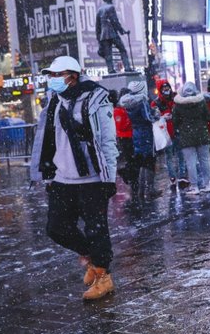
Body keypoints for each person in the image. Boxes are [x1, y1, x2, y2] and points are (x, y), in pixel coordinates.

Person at [29, 56, 118, 301]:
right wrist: (47, 174)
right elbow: (47, 139)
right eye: (52, 75)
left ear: (74, 75)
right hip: (61, 177)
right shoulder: (54, 101)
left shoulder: (95, 97)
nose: (54, 80)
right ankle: (93, 257)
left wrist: (109, 178)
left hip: (92, 177)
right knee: (56, 228)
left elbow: (107, 139)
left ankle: (103, 276)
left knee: (96, 229)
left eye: (59, 75)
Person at [119, 81, 162, 200]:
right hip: (146, 133)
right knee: (149, 160)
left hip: (136, 133)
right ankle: (150, 189)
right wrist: (156, 114)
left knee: (141, 160)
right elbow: (148, 117)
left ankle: (140, 190)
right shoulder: (142, 101)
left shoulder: (128, 102)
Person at [172, 82, 210, 194]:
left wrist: (182, 127)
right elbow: (209, 116)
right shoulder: (201, 102)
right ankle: (207, 184)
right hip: (202, 135)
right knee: (204, 160)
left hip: (186, 137)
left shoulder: (178, 105)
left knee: (191, 162)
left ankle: (194, 186)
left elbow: (175, 121)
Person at [153, 80, 187, 189]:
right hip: (166, 133)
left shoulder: (176, 99)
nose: (166, 90)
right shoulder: (156, 103)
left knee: (180, 154)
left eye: (167, 88)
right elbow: (155, 117)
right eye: (164, 89)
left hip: (177, 130)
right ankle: (173, 176)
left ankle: (182, 176)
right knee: (170, 156)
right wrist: (163, 117)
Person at [95, 0, 133, 74]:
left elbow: (97, 26)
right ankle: (127, 67)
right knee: (122, 50)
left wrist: (99, 38)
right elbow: (114, 21)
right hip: (112, 33)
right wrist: (122, 31)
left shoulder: (99, 10)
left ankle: (110, 69)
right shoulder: (111, 7)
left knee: (108, 54)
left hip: (103, 36)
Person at [111, 89, 134, 186]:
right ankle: (126, 174)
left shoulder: (124, 109)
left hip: (129, 136)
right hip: (125, 138)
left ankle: (131, 177)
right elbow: (120, 126)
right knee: (130, 159)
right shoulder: (118, 110)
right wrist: (130, 120)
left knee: (132, 159)